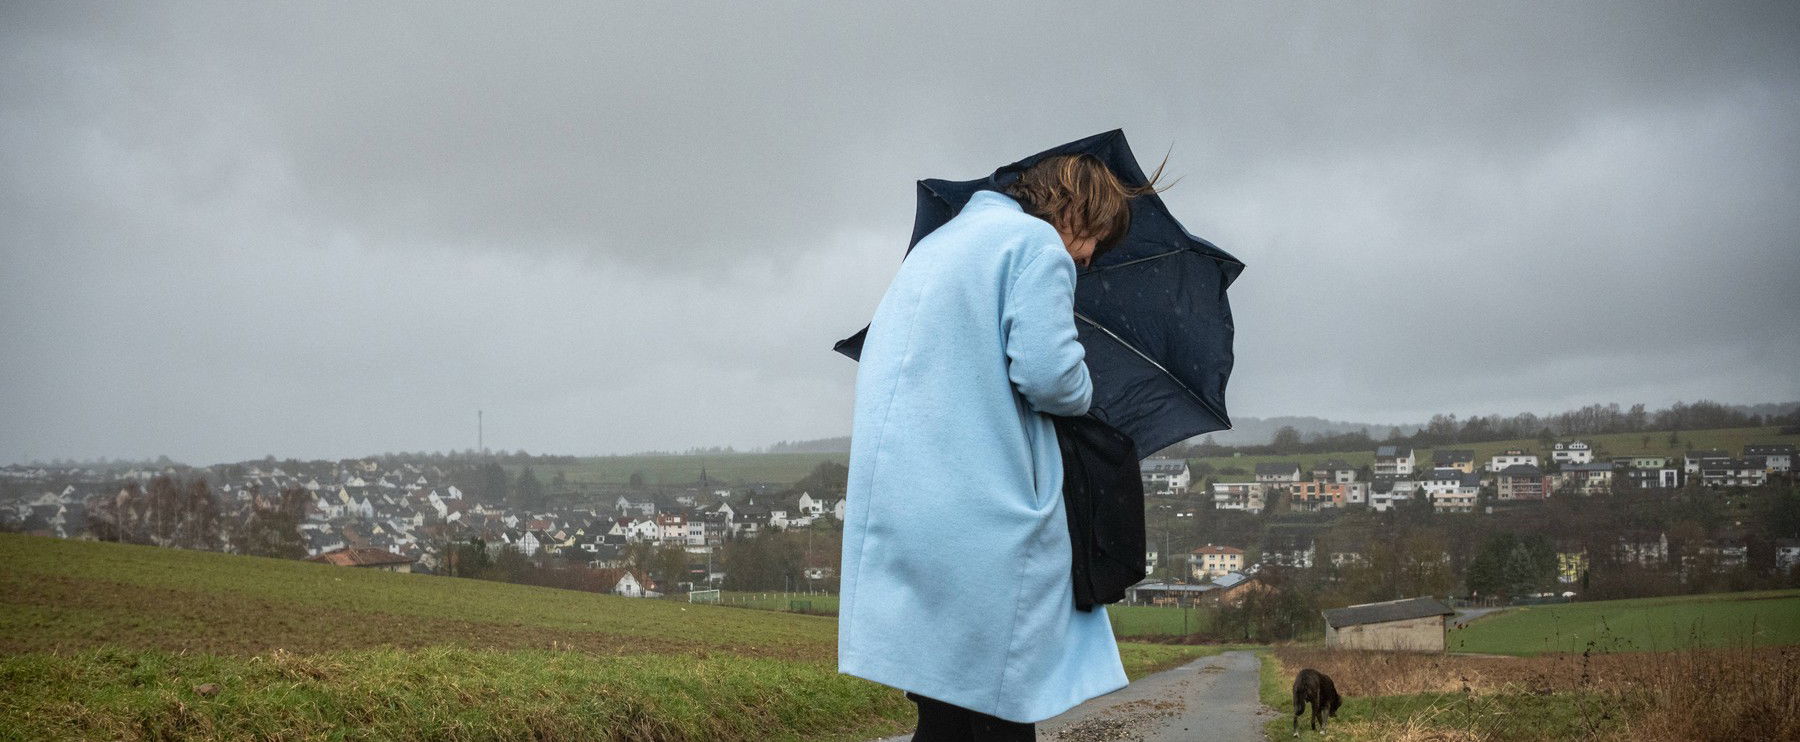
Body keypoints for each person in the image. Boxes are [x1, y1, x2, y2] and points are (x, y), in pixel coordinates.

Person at [837, 152, 1167, 740]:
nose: (1088, 257)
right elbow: (1050, 377)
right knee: (1000, 704)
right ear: (1074, 207)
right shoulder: (1035, 246)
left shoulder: (937, 248)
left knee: (947, 704)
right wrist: (1085, 378)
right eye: (1094, 238)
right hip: (982, 512)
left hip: (908, 505)